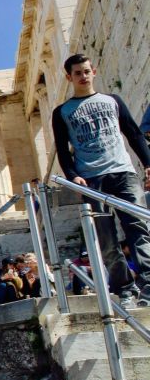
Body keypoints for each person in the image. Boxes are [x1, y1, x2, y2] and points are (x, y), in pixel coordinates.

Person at [53, 54, 150, 308]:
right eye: (77, 73)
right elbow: (63, 151)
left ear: (93, 71)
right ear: (69, 77)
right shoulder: (62, 112)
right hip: (91, 179)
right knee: (106, 239)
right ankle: (125, 288)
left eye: (86, 71)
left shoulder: (113, 101)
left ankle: (149, 283)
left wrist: (148, 163)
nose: (83, 76)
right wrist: (72, 175)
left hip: (123, 172)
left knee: (139, 228)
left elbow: (134, 134)